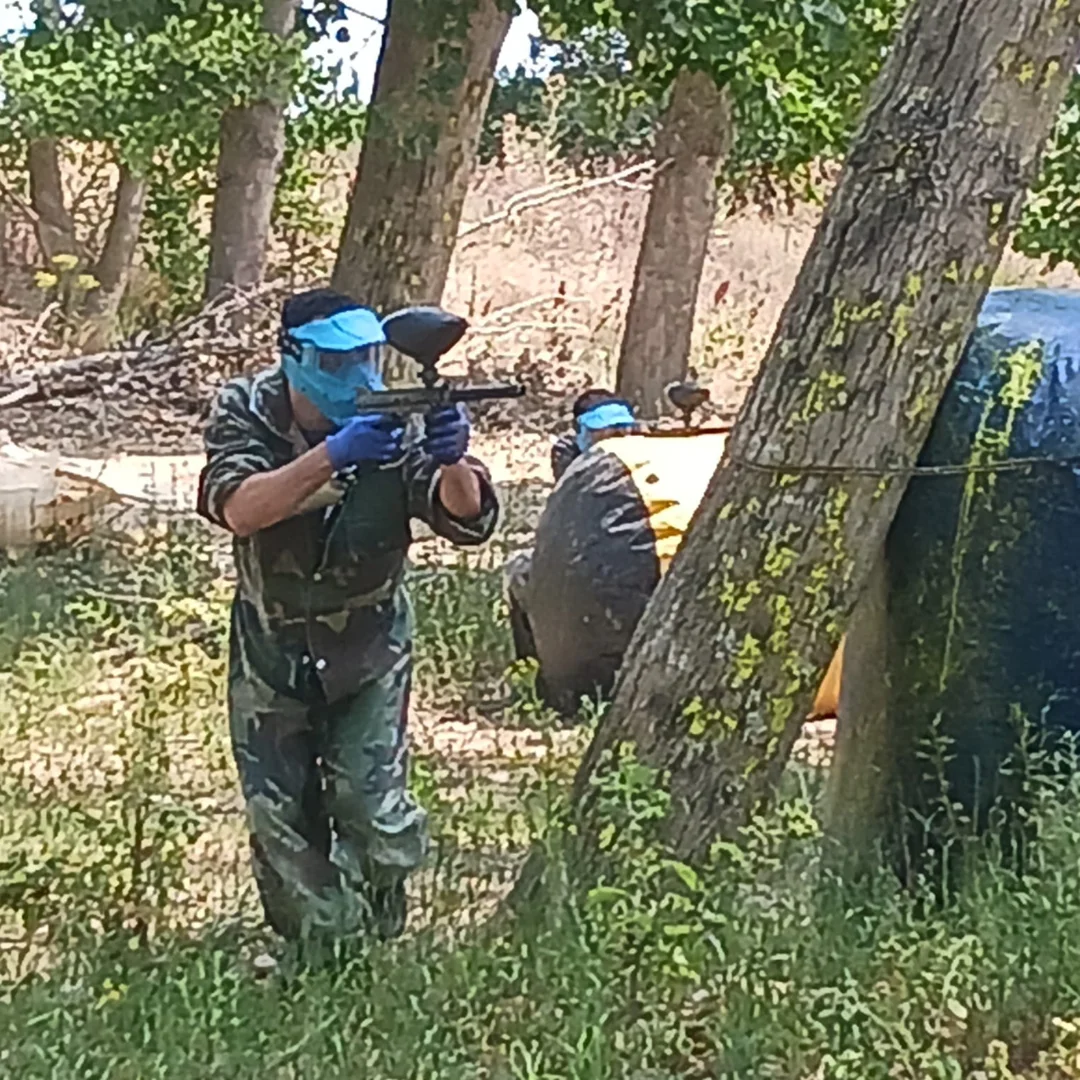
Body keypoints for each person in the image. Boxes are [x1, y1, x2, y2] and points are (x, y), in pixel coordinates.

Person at [196, 287, 500, 947]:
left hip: (368, 645)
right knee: (282, 817)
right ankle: (320, 953)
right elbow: (239, 508)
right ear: (292, 358)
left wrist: (453, 460)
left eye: (365, 357)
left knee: (372, 806)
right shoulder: (247, 409)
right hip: (273, 645)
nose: (356, 374)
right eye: (335, 361)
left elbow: (466, 520)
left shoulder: (395, 416)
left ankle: (377, 932)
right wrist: (331, 457)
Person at [505, 388, 642, 678]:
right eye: (607, 430)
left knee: (519, 570)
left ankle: (535, 672)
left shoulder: (642, 452)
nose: (618, 436)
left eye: (623, 429)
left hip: (617, 559)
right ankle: (531, 668)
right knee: (520, 570)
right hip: (594, 552)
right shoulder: (575, 461)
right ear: (582, 432)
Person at [549, 388, 641, 482]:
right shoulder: (567, 450)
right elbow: (571, 487)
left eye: (622, 424)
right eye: (604, 425)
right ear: (580, 428)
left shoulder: (638, 441)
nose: (618, 431)